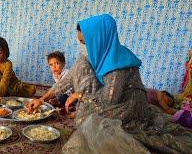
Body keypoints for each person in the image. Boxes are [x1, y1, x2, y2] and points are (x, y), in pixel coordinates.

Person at [29, 14, 192, 153]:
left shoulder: (117, 63)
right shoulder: (97, 53)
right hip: (112, 97)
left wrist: (79, 95)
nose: (82, 47)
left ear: (99, 39)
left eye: (85, 42)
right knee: (84, 109)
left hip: (129, 104)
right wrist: (42, 99)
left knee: (90, 122)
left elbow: (109, 99)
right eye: (80, 42)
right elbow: (69, 78)